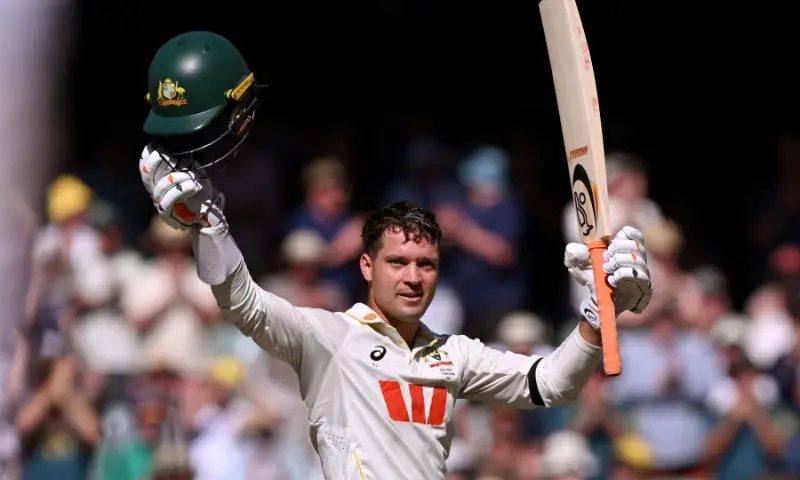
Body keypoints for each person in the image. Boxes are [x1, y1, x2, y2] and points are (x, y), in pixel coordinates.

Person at [138, 31, 654, 480]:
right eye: (397, 263)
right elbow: (242, 303)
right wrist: (207, 226)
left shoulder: (454, 356)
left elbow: (552, 384)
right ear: (366, 266)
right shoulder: (329, 340)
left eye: (426, 264)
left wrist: (597, 314)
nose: (413, 277)